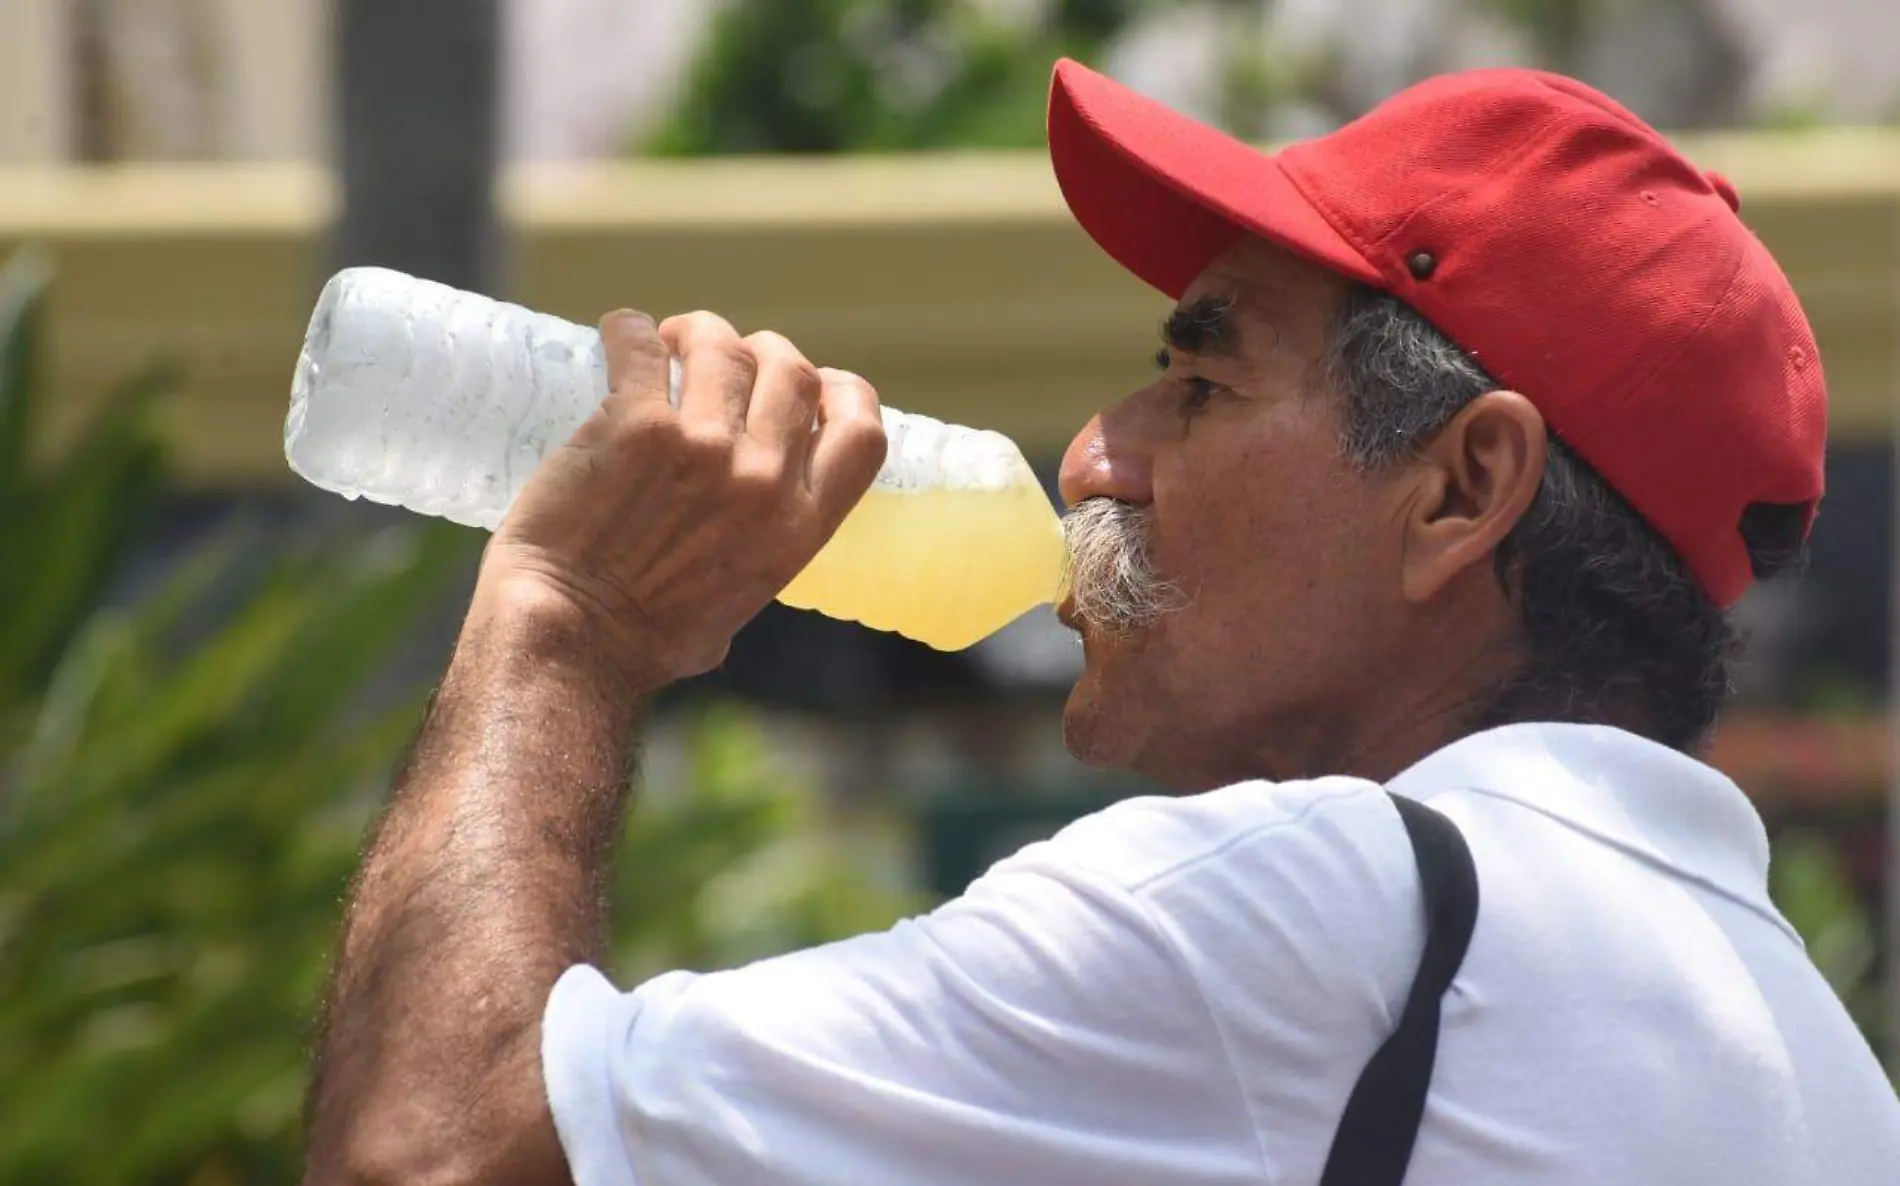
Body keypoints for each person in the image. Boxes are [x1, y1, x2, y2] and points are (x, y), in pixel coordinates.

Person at [300, 60, 1900, 1186]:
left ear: (1459, 487)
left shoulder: (1309, 906)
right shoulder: (1819, 1064)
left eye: (1200, 384)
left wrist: (567, 613)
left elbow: (432, 1155)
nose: (1095, 456)